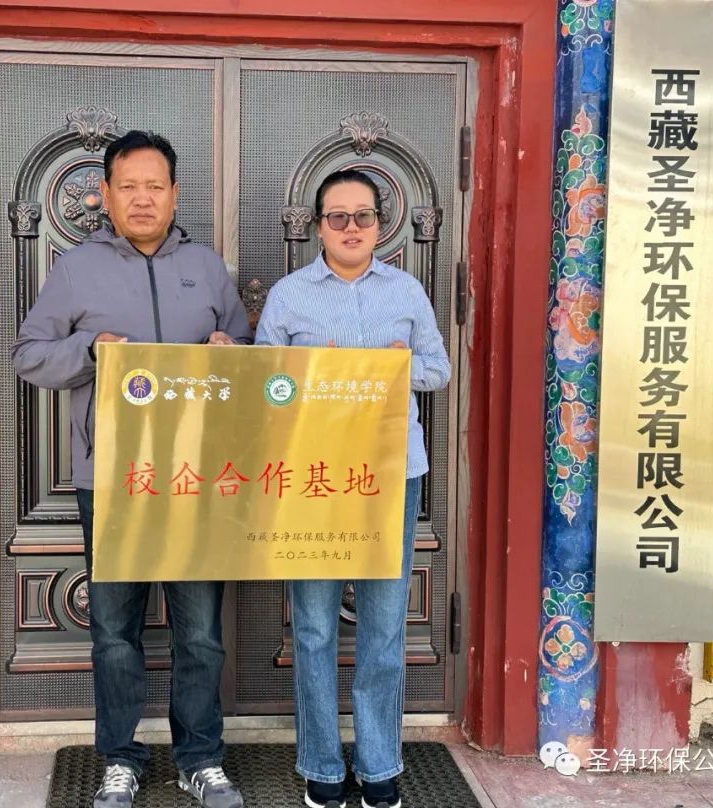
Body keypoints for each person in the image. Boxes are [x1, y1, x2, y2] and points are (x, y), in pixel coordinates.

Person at [11, 130, 251, 808]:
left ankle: (200, 759)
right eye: (128, 187)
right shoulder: (76, 270)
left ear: (174, 194)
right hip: (114, 478)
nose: (142, 199)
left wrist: (230, 349)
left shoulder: (206, 267)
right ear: (106, 195)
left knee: (200, 632)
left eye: (155, 186)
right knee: (115, 631)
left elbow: (248, 354)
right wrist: (91, 349)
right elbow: (29, 355)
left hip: (196, 478)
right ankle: (120, 758)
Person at [255, 169, 451, 808]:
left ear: (379, 225)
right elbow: (265, 386)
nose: (350, 228)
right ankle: (320, 763)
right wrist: (312, 373)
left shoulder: (406, 290)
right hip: (315, 478)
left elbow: (439, 370)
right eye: (337, 217)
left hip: (390, 475)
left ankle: (379, 763)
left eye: (362, 216)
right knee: (313, 626)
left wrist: (396, 366)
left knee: (384, 625)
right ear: (318, 226)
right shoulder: (289, 296)